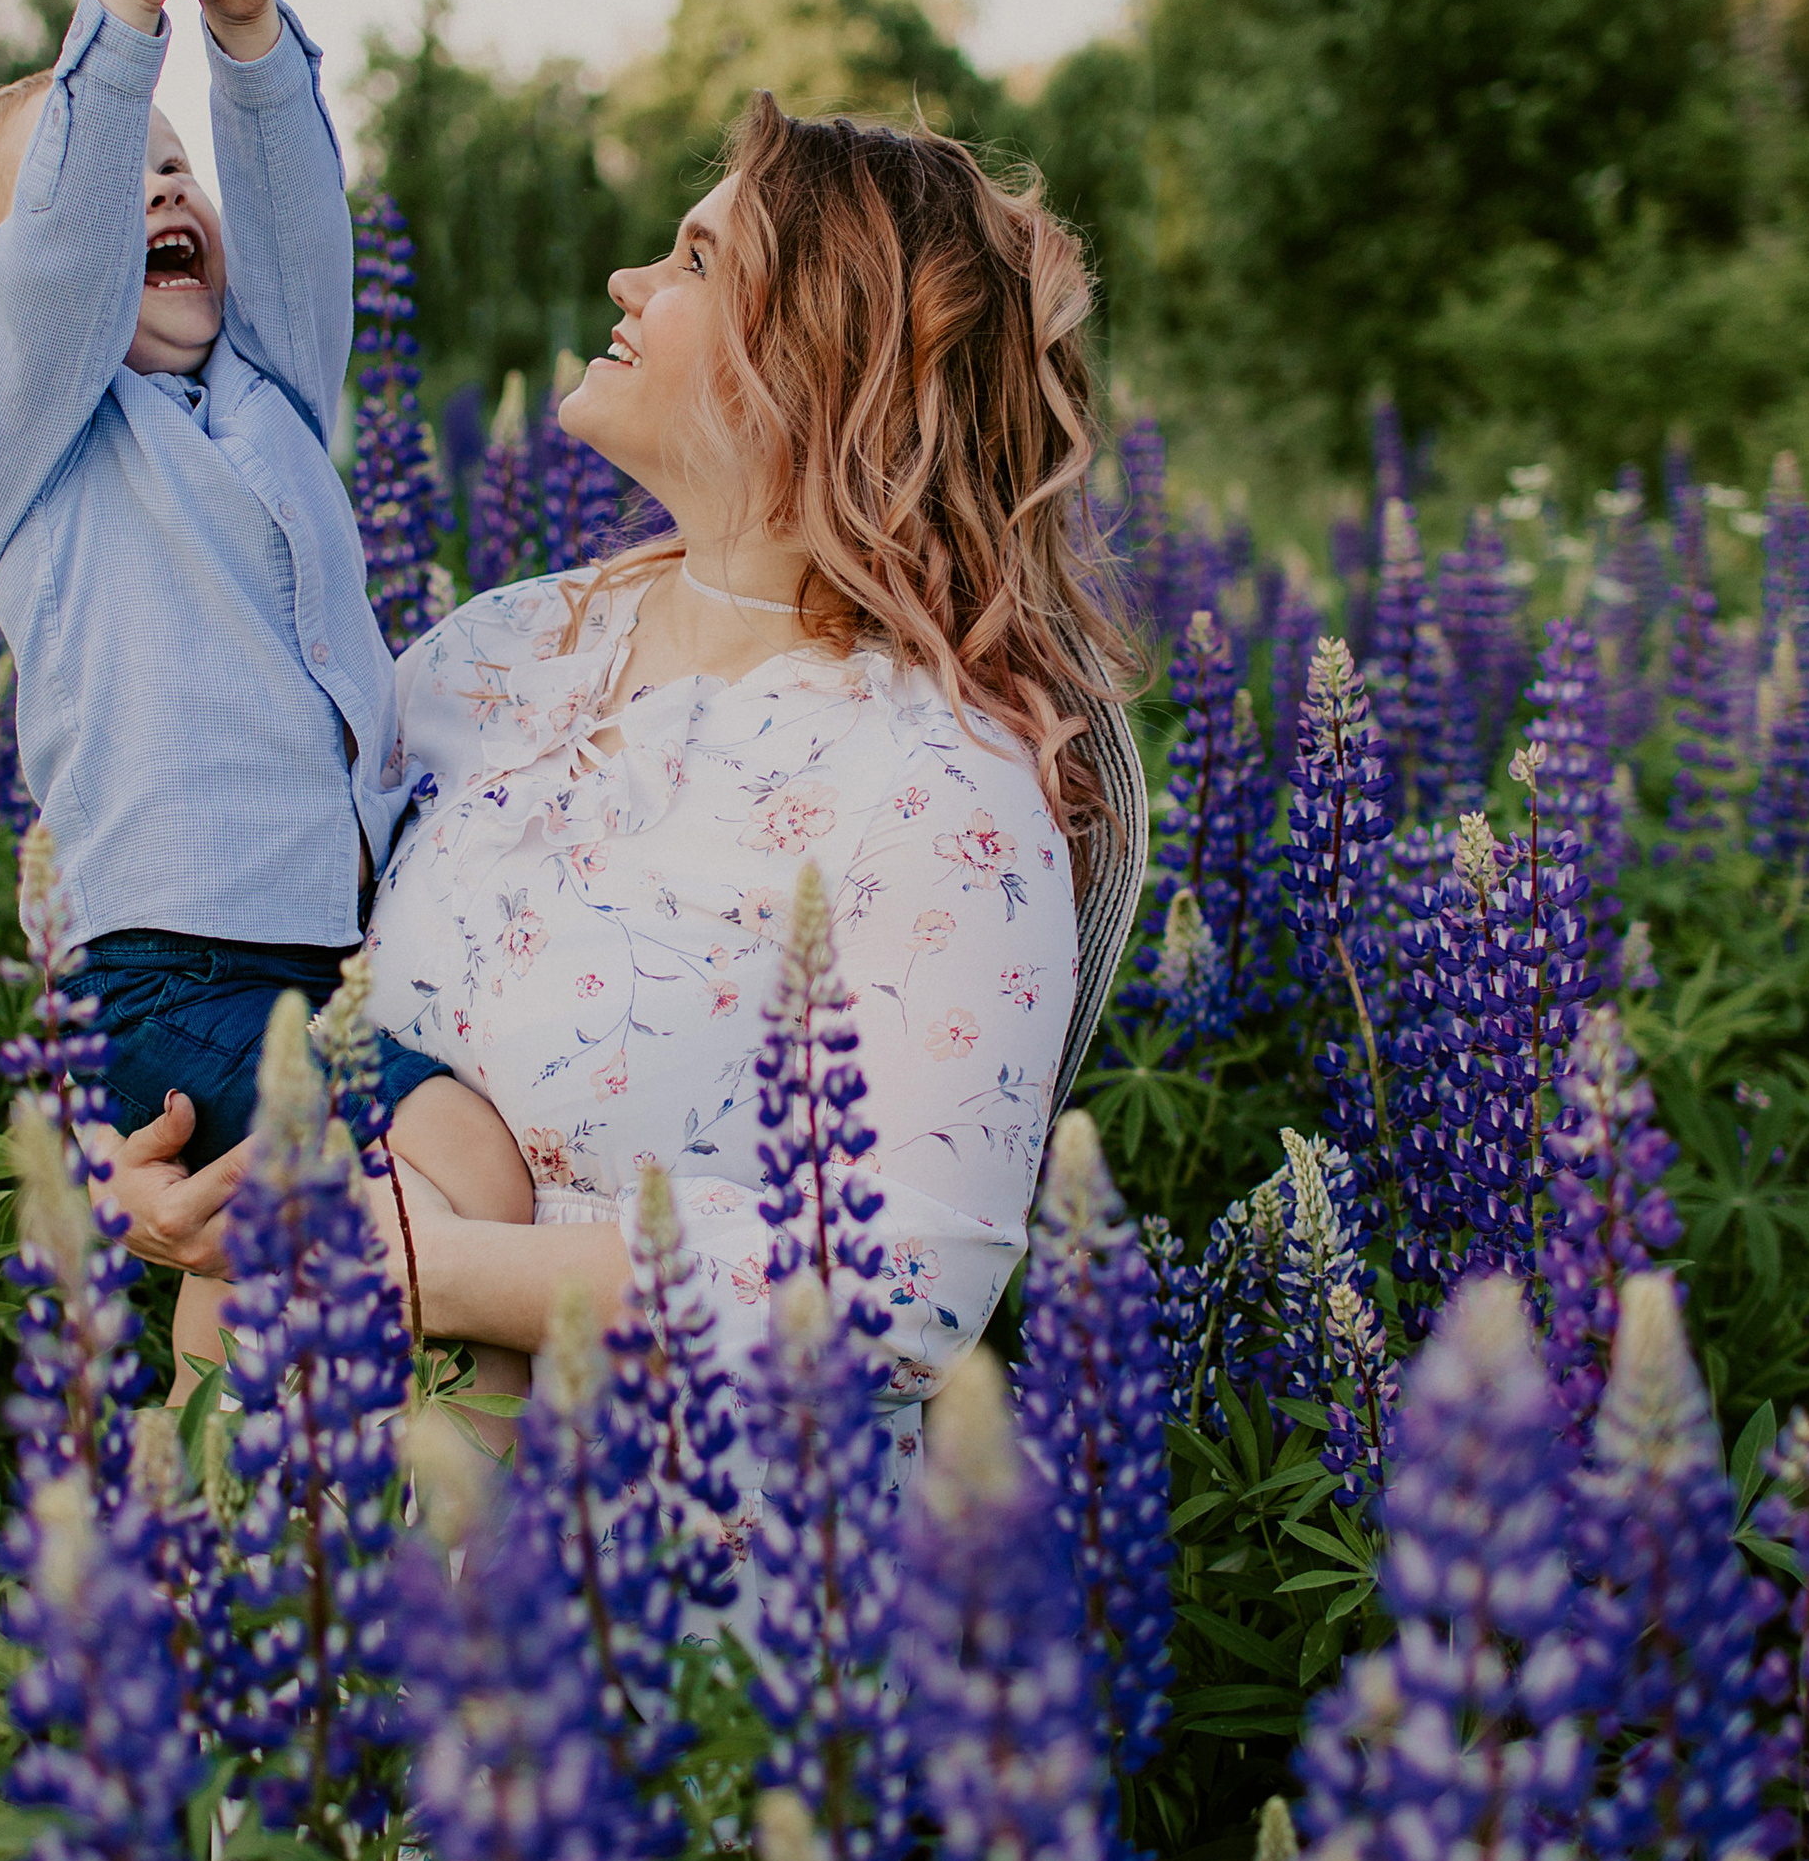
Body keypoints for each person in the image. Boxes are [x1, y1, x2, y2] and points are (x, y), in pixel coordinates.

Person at [110, 90, 1144, 1471]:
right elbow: (245, 937)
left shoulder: (935, 787)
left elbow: (905, 1290)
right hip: (325, 1514)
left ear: (819, 362)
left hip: (684, 1583)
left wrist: (452, 1272)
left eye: (697, 262)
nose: (628, 279)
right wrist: (171, 1157)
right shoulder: (500, 654)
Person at [0, 0, 532, 1369]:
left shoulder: (266, 392)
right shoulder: (29, 440)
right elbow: (59, 266)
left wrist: (244, 38)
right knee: (456, 1161)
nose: (164, 188)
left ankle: (255, 1457)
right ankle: (229, 1491)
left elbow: (295, 226)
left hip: (337, 948)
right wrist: (121, 24)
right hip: (172, 966)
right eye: (124, 170)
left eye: (174, 165)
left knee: (408, 1207)